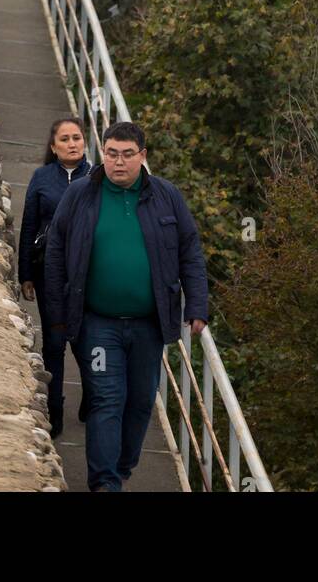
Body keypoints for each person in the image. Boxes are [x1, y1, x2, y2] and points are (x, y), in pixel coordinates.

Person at [45, 120, 209, 493]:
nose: (118, 162)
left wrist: (196, 305)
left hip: (149, 324)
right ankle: (104, 483)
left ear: (142, 156)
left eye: (127, 155)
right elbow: (55, 254)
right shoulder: (81, 195)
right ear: (103, 153)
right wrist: (56, 314)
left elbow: (190, 253)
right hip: (98, 324)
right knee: (106, 398)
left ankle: (120, 468)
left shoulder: (167, 196)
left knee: (139, 403)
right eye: (111, 153)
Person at [19, 119, 92, 439]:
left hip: (88, 275)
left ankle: (92, 396)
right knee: (54, 343)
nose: (72, 143)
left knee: (85, 342)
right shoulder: (41, 178)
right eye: (65, 139)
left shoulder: (97, 179)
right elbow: (29, 226)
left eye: (77, 137)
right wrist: (25, 275)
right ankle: (55, 410)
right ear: (53, 147)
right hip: (49, 272)